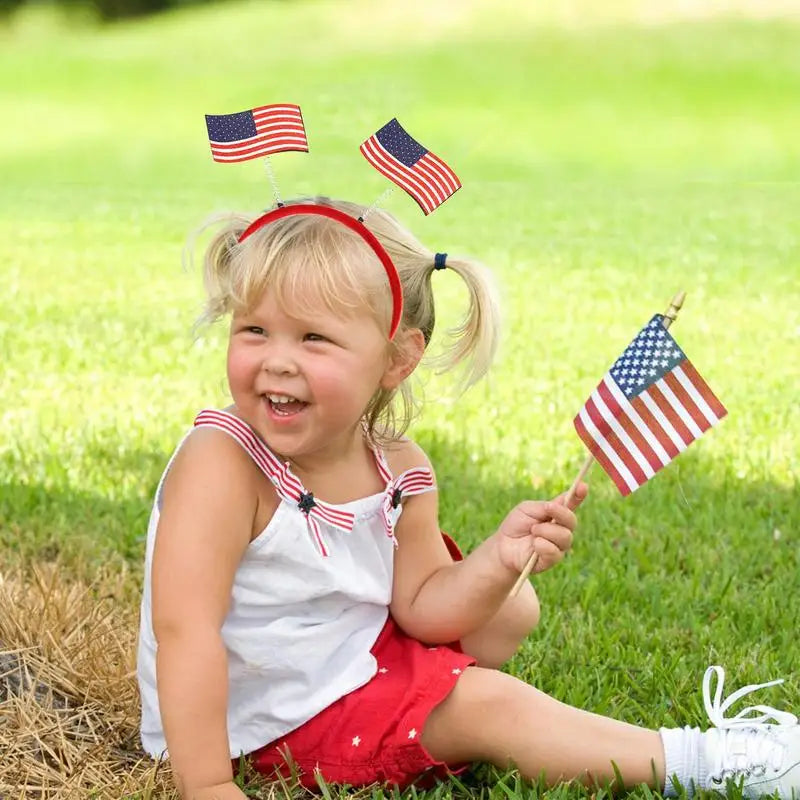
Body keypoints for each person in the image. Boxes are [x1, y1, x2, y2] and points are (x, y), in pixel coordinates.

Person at [137, 196, 800, 800]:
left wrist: (498, 558)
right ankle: (711, 761)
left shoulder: (397, 465)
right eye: (254, 330)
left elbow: (425, 607)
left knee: (509, 610)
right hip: (266, 717)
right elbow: (185, 631)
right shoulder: (223, 464)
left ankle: (436, 695)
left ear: (396, 360)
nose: (278, 359)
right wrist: (208, 782)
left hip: (340, 658)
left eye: (314, 338)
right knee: (487, 704)